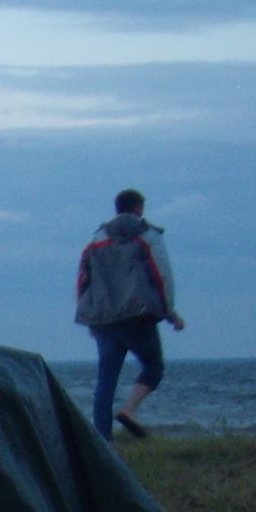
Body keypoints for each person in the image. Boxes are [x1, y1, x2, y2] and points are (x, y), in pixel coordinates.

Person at [76, 188, 186, 440]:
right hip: (138, 316)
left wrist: (88, 318)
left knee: (105, 383)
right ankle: (129, 408)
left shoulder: (95, 240)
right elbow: (160, 277)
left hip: (104, 320)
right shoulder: (148, 235)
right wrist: (170, 313)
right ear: (138, 209)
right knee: (154, 367)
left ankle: (103, 443)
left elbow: (83, 280)